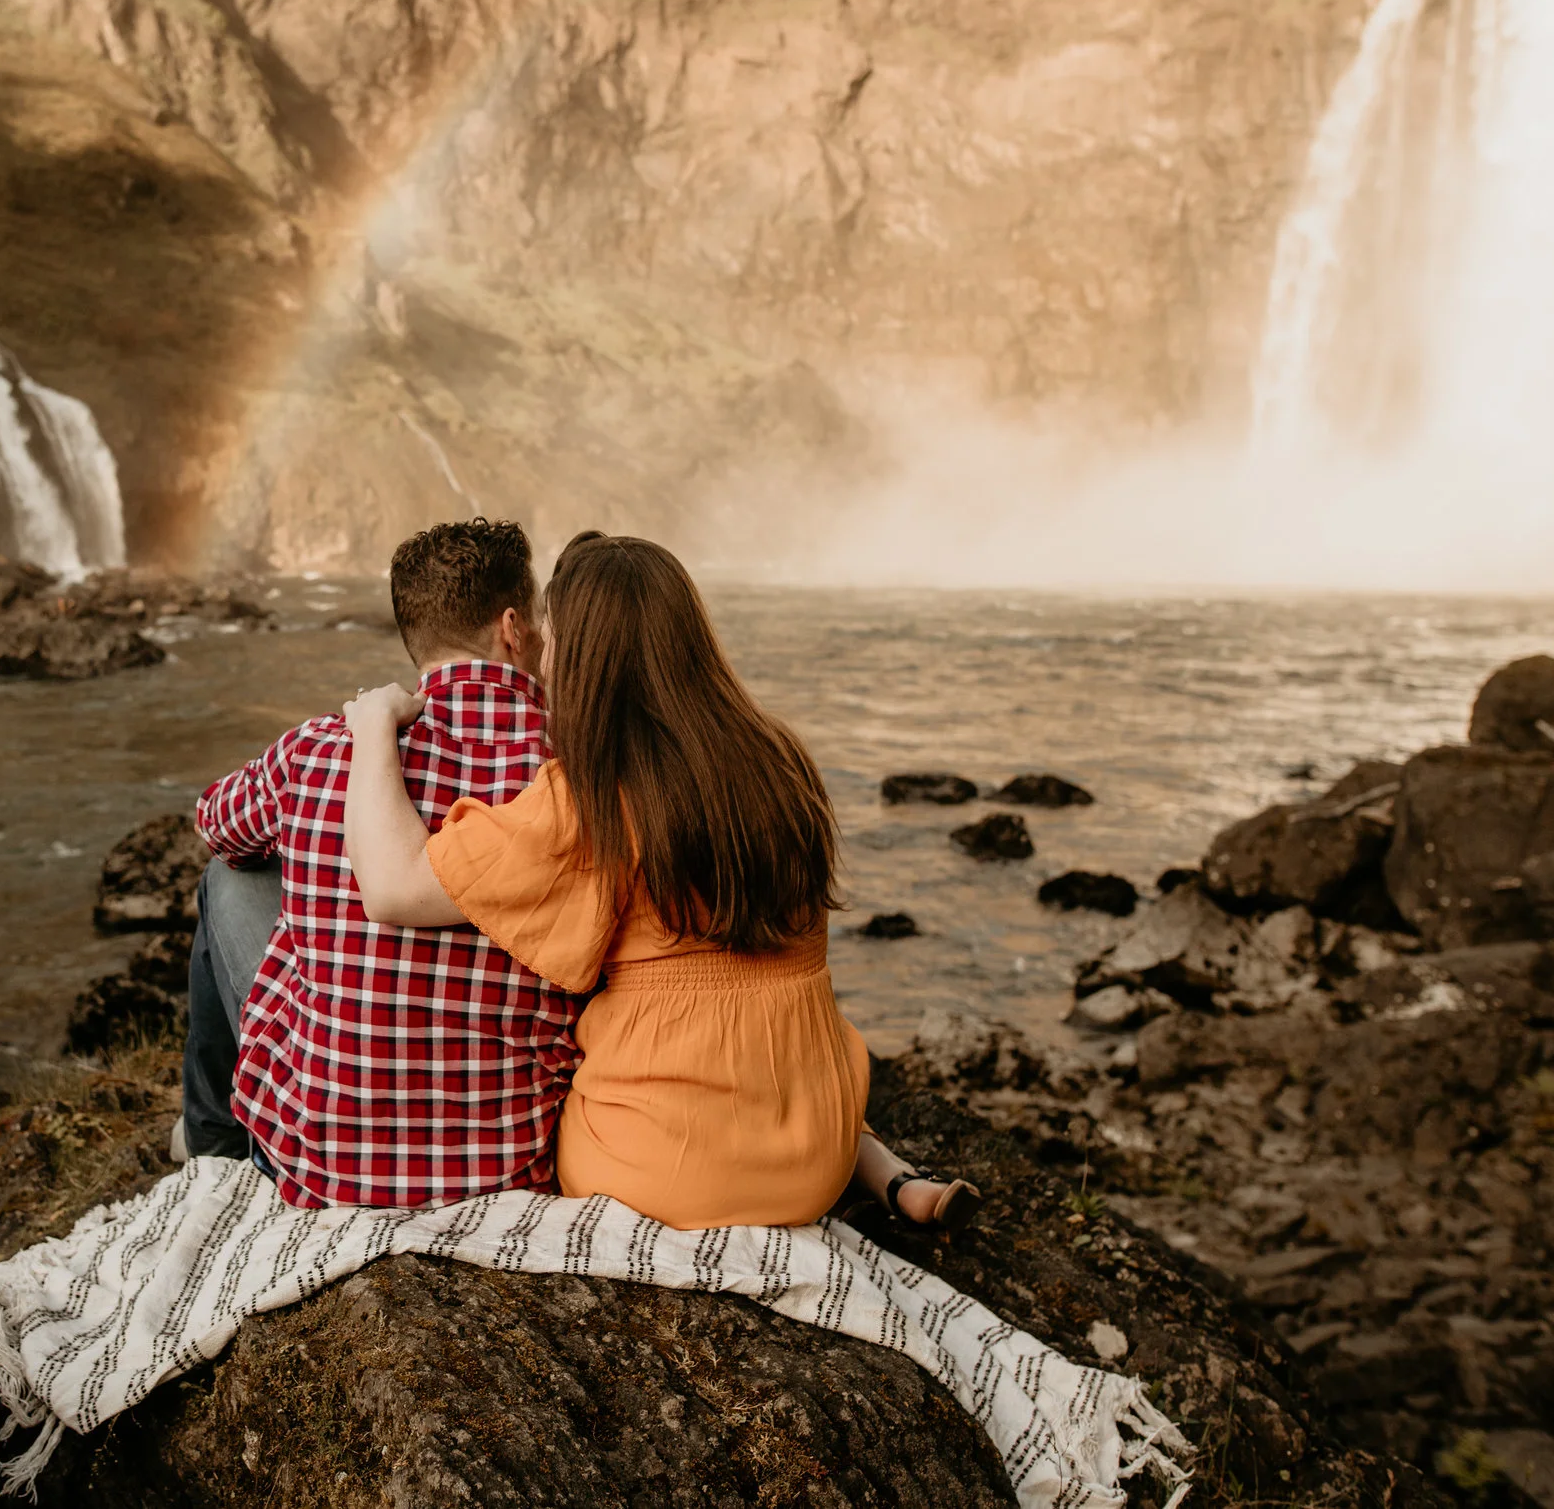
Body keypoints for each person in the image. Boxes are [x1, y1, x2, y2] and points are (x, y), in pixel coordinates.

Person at [341, 531, 978, 1232]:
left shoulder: (591, 797)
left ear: (581, 657)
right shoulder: (780, 756)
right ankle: (884, 1171)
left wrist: (373, 728)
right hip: (812, 1152)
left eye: (554, 638)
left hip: (664, 1171)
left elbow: (392, 886)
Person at [183, 518, 584, 1208]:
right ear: (513, 628)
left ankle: (211, 1146)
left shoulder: (319, 747)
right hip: (503, 1171)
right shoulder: (572, 767)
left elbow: (215, 822)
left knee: (226, 874)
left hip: (321, 1170)